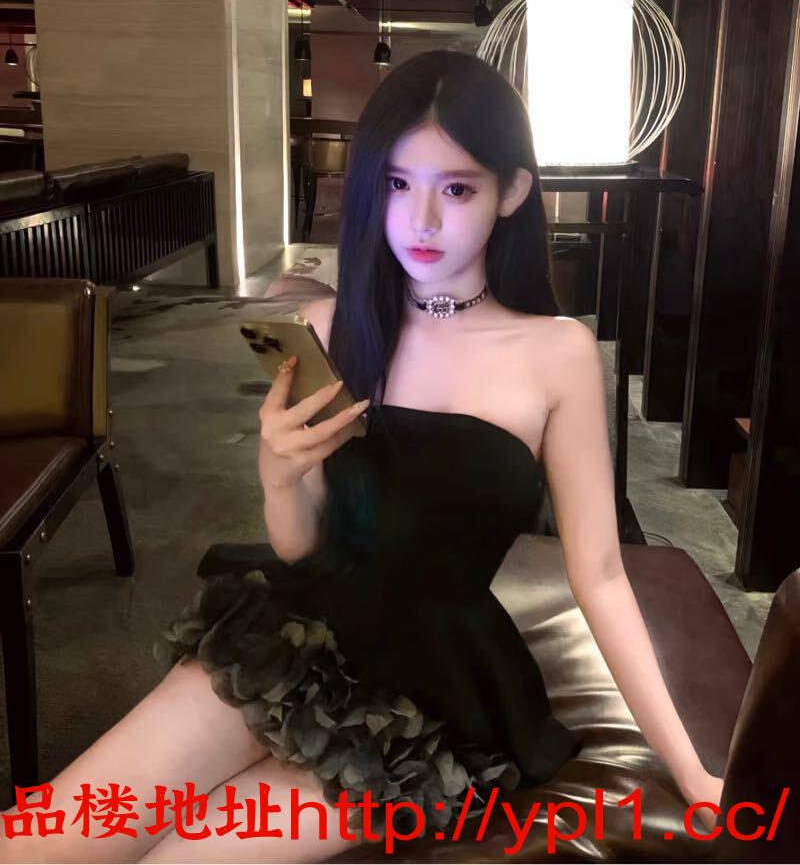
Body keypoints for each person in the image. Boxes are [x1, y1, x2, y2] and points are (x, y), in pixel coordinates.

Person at [1, 51, 723, 865]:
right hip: (289, 640)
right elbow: (299, 547)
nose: (421, 221)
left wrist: (692, 772)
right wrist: (278, 473)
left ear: (514, 191)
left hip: (422, 697)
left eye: (457, 189)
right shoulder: (324, 326)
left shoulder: (558, 354)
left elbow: (603, 576)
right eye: (397, 184)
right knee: (39, 843)